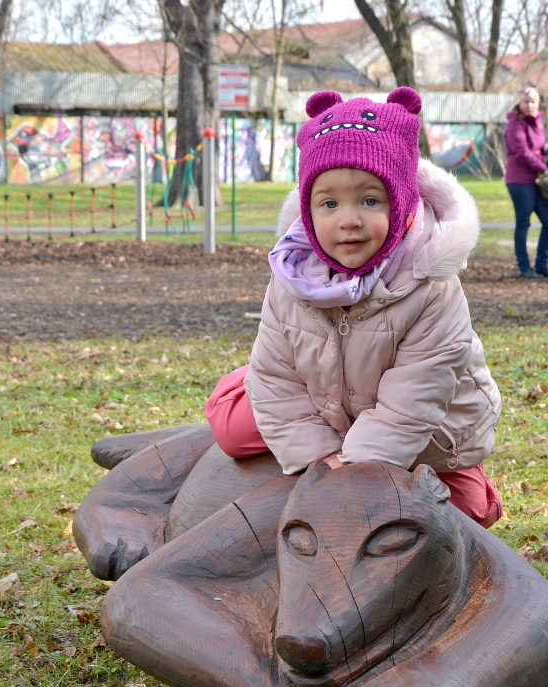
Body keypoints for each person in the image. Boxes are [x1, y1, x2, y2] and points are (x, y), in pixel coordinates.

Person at [203, 88, 503, 528]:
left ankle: (465, 477)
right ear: (307, 211)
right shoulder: (294, 276)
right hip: (325, 396)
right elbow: (276, 380)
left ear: (402, 203)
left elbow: (412, 405)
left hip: (425, 427)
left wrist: (354, 470)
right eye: (329, 203)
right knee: (232, 429)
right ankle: (237, 385)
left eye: (370, 200)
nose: (348, 220)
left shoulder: (431, 285)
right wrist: (322, 457)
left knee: (468, 514)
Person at [504, 87, 548, 278]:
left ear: (538, 103)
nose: (530, 106)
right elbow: (522, 152)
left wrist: (546, 147)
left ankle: (542, 264)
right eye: (526, 102)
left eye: (533, 102)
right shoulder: (515, 124)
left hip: (538, 179)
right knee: (523, 222)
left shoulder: (537, 122)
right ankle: (524, 268)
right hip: (520, 180)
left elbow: (535, 147)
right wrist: (543, 168)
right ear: (520, 103)